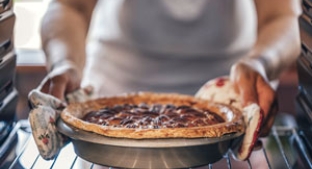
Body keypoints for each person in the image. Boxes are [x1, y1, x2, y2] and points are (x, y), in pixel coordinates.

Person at [37, 0, 301, 137]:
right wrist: (66, 63)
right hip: (113, 98)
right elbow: (70, 6)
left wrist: (260, 63)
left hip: (229, 99)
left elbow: (282, 16)